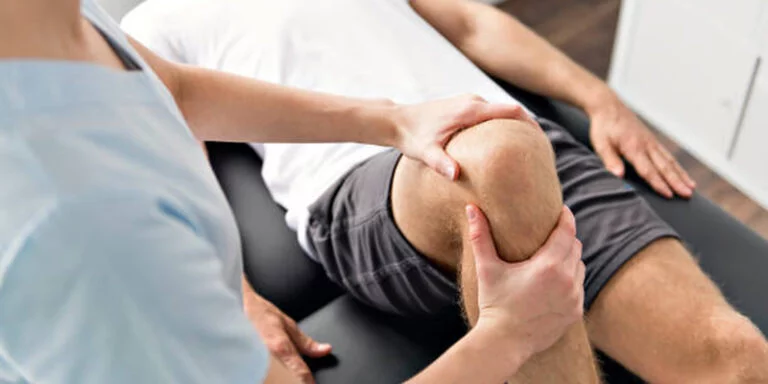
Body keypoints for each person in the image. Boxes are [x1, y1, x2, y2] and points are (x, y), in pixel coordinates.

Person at [122, 0, 768, 383]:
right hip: (365, 189)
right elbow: (176, 157)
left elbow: (470, 23)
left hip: (523, 146)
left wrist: (599, 96)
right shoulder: (154, 22)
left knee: (740, 360)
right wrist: (237, 295)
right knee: (499, 152)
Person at [0, 0, 587, 383]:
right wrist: (508, 336)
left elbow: (173, 89)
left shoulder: (55, 22)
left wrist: (390, 120)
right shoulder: (79, 224)